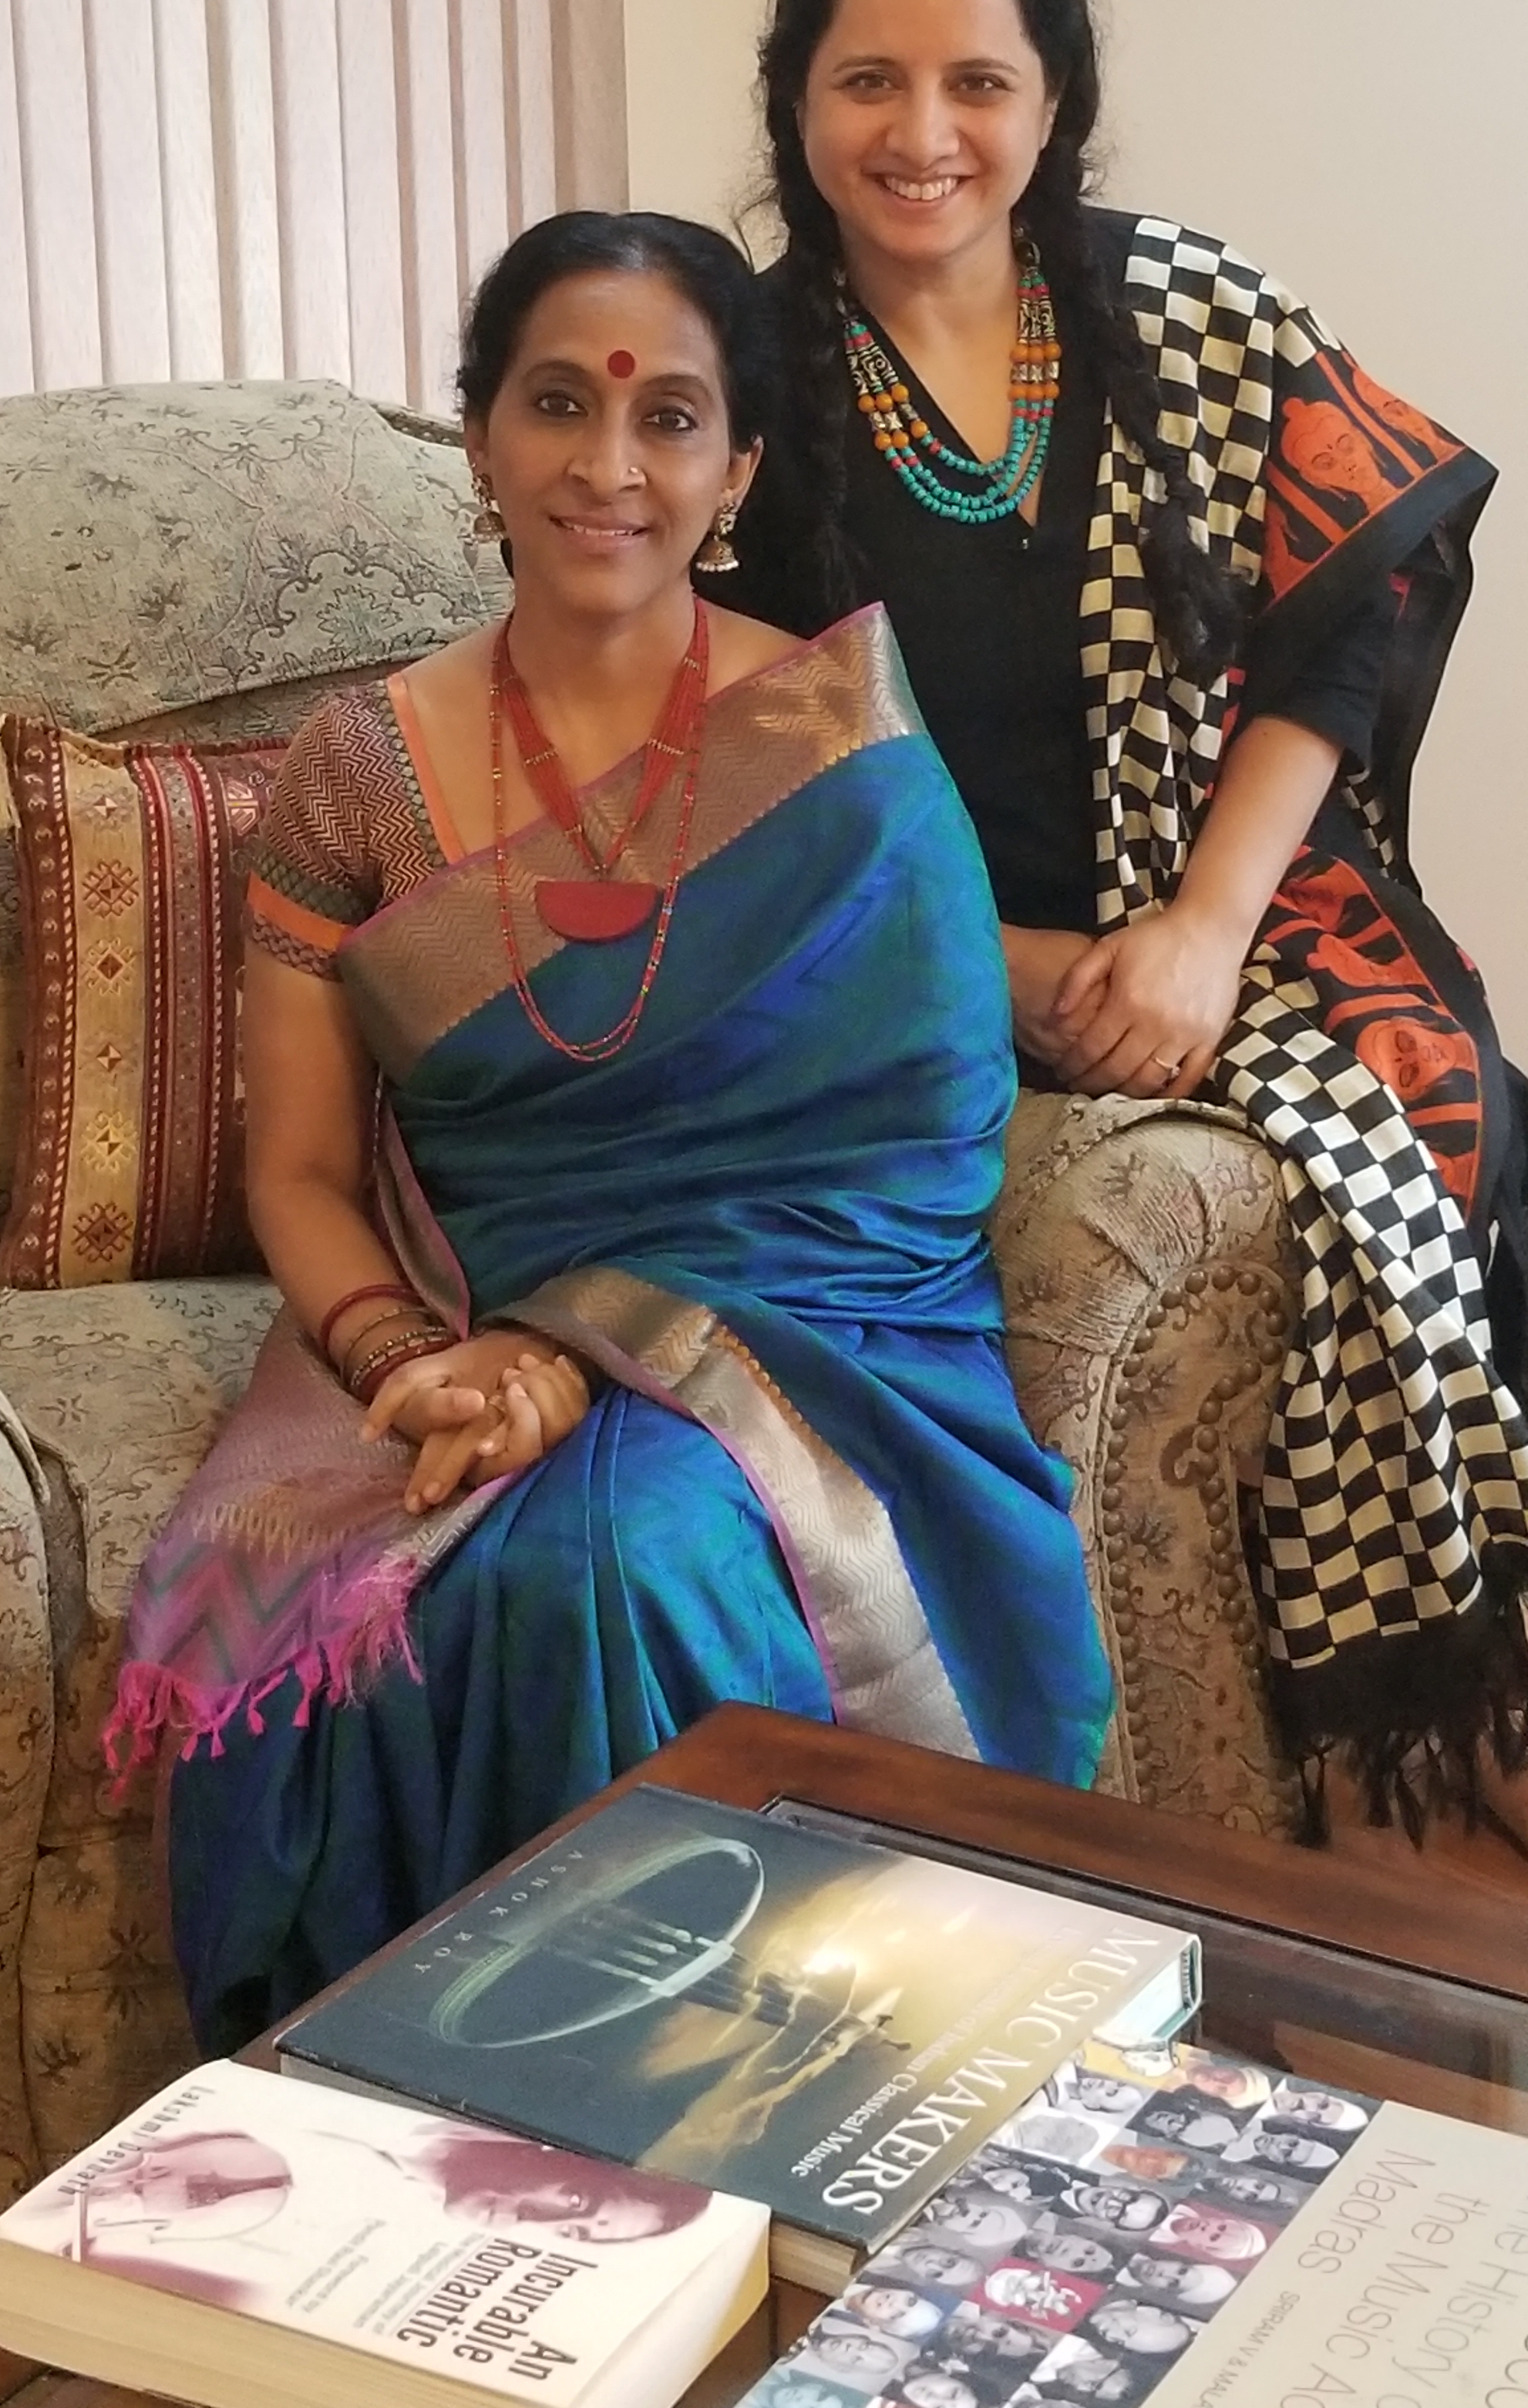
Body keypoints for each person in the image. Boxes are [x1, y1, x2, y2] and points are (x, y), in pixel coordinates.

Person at [106, 208, 1110, 2052]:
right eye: (559, 402)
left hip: (813, 1332)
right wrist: (413, 1367)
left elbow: (922, 1152)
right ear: (480, 436)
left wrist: (585, 1358)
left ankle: (737, 2077)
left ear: (738, 471)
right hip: (468, 1324)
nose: (608, 464)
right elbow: (302, 1173)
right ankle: (471, 2108)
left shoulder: (840, 750)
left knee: (608, 1565)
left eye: (669, 419)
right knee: (467, 1587)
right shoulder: (358, 772)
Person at [732, 0, 1528, 1820]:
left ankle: (1477, 1707)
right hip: (897, 956)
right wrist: (1007, 973)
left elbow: (1350, 614)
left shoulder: (1179, 309)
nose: (923, 134)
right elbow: (734, 786)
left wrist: (1198, 932)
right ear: (795, 97)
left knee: (1452, 1114)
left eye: (977, 83)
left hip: (1219, 900)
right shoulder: (739, 381)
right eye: (867, 81)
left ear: (1055, 97)